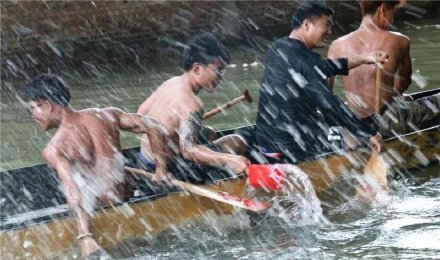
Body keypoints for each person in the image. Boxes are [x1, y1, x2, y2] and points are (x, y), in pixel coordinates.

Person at [23, 74, 168, 257]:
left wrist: (84, 236)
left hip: (102, 205)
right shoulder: (105, 114)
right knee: (123, 171)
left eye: (31, 110)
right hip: (124, 195)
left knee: (74, 180)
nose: (33, 117)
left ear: (47, 106)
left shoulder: (55, 148)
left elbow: (74, 190)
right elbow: (152, 125)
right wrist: (161, 168)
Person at [255, 1, 387, 164]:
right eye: (327, 25)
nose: (330, 31)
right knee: (356, 139)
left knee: (325, 120)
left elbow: (320, 67)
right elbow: (329, 104)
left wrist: (364, 58)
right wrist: (368, 133)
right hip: (291, 150)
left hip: (265, 144)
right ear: (307, 24)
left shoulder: (278, 47)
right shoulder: (308, 60)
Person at [137, 32, 249, 182]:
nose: (221, 76)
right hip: (171, 169)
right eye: (218, 70)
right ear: (197, 69)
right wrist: (230, 160)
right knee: (237, 141)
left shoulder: (171, 82)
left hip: (144, 159)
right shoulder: (192, 104)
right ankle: (227, 179)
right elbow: (189, 151)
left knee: (209, 132)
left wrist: (170, 134)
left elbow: (141, 113)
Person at [328, 0, 440, 138]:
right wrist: (393, 97)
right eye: (392, 10)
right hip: (388, 122)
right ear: (382, 9)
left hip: (355, 124)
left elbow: (326, 90)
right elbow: (405, 81)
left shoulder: (336, 45)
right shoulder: (399, 40)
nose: (392, 17)